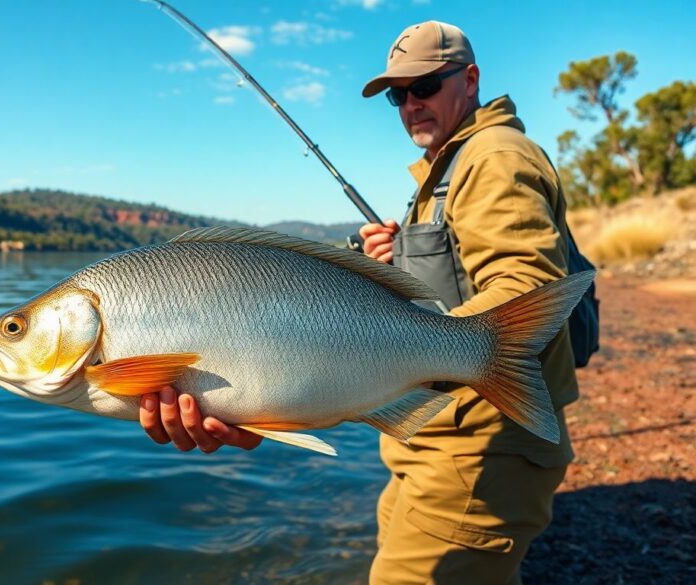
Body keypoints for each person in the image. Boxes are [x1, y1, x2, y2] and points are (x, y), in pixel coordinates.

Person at [138, 20, 578, 585]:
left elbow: (524, 281)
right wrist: (399, 259)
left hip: (481, 448)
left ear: (470, 79)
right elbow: (460, 278)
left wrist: (468, 352)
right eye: (399, 94)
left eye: (425, 86)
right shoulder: (449, 166)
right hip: (434, 438)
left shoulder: (493, 156)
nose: (410, 104)